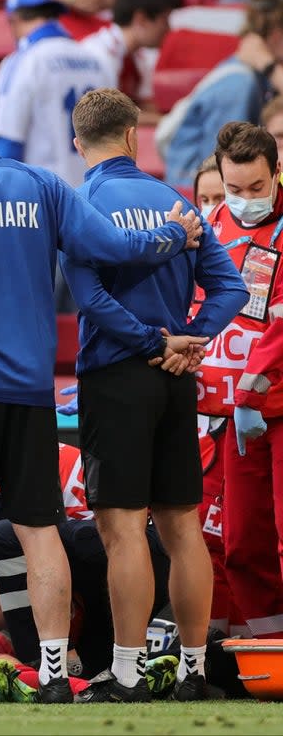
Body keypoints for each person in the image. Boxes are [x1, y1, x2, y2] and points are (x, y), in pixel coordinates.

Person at [0, 88, 203, 704]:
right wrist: (171, 236)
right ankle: (55, 673)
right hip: (32, 389)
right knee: (38, 530)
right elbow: (111, 248)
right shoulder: (45, 183)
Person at [60, 88, 247, 701]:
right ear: (134, 134)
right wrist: (188, 339)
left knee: (121, 529)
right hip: (176, 380)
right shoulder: (174, 199)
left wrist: (149, 342)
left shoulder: (83, 201)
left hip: (118, 376)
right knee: (182, 526)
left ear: (77, 141)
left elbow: (89, 299)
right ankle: (193, 672)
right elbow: (231, 288)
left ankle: (126, 672)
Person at [195, 122, 283, 640]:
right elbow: (191, 306)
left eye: (256, 188)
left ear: (276, 173)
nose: (244, 200)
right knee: (242, 539)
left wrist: (252, 389)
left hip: (267, 402)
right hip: (230, 413)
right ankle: (267, 644)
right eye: (234, 189)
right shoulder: (208, 226)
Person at [160, 0, 283, 188]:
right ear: (277, 35)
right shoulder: (240, 83)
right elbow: (221, 161)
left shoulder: (256, 74)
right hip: (196, 191)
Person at [0, 0, 106, 187]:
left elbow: (8, 141)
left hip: (45, 196)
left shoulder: (22, 61)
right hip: (92, 194)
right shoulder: (96, 60)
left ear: (14, 20)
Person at [79, 0, 180, 115]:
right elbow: (107, 117)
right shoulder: (100, 54)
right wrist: (168, 122)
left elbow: (146, 106)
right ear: (141, 19)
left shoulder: (139, 57)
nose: (168, 29)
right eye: (164, 20)